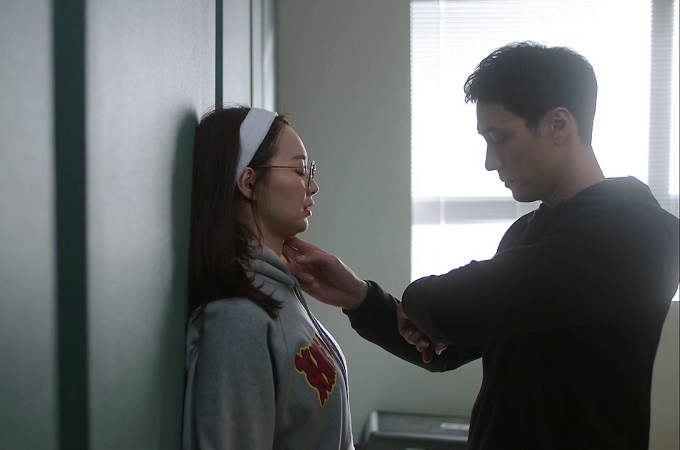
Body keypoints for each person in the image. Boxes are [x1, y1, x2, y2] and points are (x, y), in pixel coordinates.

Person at [282, 42, 680, 449]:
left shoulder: (637, 234)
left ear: (559, 126)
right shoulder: (529, 232)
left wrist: (419, 301)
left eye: (499, 138)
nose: (490, 161)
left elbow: (451, 308)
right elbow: (448, 347)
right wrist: (360, 297)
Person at [181, 105, 354, 449]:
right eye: (300, 170)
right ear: (248, 182)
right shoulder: (236, 319)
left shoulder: (280, 289)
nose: (313, 186)